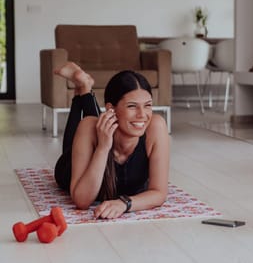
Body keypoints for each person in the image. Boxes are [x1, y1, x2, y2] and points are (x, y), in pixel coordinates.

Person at [53, 62, 170, 219]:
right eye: (132, 106)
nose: (142, 115)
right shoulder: (88, 128)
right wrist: (103, 147)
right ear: (111, 109)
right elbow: (82, 201)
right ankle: (81, 90)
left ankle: (85, 86)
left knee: (96, 122)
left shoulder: (156, 126)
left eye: (148, 105)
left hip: (107, 121)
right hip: (72, 167)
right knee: (89, 125)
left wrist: (124, 203)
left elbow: (159, 193)